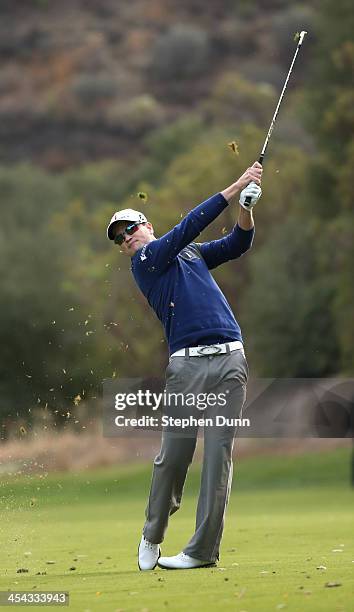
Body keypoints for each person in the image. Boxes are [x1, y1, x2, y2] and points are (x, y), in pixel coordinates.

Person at [107, 162, 263, 570]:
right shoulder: (146, 263)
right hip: (186, 367)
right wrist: (236, 185)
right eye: (120, 240)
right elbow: (190, 225)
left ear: (146, 224)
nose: (126, 240)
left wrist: (245, 207)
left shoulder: (189, 255)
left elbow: (236, 245)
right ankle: (152, 534)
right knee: (174, 456)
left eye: (130, 229)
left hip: (230, 356)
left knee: (218, 458)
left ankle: (201, 552)